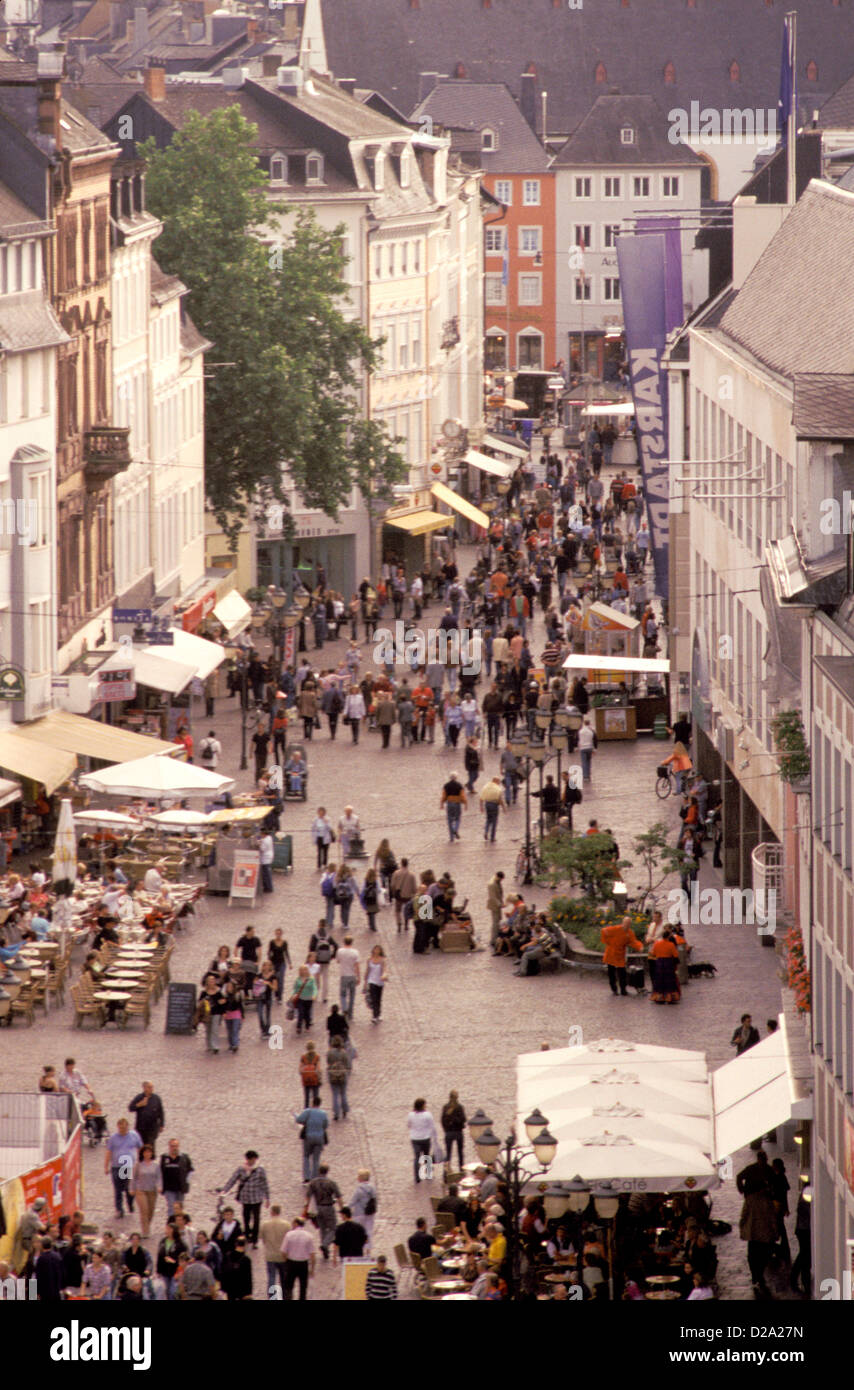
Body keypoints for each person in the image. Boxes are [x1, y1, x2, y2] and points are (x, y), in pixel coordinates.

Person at [219, 1151, 270, 1249]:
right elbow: (232, 1180)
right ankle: (247, 1235)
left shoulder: (260, 1170)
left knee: (256, 1219)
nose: (252, 1161)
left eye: (254, 1159)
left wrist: (267, 1198)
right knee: (246, 1218)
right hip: (246, 1199)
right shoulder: (241, 1169)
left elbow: (264, 1184)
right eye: (251, 1159)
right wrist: (225, 1190)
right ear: (248, 1159)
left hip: (256, 1198)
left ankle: (254, 1239)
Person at [105, 1118, 143, 1220]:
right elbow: (109, 1151)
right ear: (118, 1127)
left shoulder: (134, 1135)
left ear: (128, 1126)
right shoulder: (113, 1138)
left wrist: (141, 1162)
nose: (123, 1129)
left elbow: (140, 1148)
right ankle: (119, 1209)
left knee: (128, 1188)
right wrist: (106, 1166)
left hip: (128, 1165)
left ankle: (130, 1203)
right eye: (121, 1127)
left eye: (125, 1127)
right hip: (117, 1166)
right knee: (117, 1189)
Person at [600, 915, 643, 997]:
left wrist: (639, 947)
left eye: (628, 923)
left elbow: (633, 941)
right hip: (611, 953)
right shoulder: (615, 929)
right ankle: (614, 989)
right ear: (622, 923)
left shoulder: (630, 932)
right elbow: (604, 931)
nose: (627, 925)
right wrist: (608, 942)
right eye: (625, 923)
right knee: (611, 973)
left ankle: (623, 989)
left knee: (622, 973)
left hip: (620, 954)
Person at [307, 1164, 341, 1261]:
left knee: (322, 1228)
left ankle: (324, 1250)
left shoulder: (313, 1182)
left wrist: (307, 1208)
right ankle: (325, 1245)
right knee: (333, 1228)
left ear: (319, 1171)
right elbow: (338, 1197)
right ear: (327, 1171)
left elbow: (308, 1196)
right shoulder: (331, 1183)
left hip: (318, 1208)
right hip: (328, 1207)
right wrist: (342, 1208)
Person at [294, 1095, 329, 1182]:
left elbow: (299, 1120)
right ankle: (315, 1177)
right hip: (319, 1138)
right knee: (316, 1159)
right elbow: (326, 1125)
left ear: (312, 1103)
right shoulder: (323, 1114)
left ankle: (307, 1177)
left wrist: (295, 1115)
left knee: (306, 1156)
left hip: (308, 1137)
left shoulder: (308, 1111)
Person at [281, 1217, 316, 1300]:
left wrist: (286, 1261)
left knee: (288, 1286)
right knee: (303, 1287)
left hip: (291, 1262)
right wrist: (312, 1268)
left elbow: (283, 1251)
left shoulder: (289, 1235)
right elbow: (312, 1254)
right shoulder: (309, 1236)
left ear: (296, 1224)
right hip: (303, 1264)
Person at [260, 1205, 290, 1296]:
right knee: (283, 1277)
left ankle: (272, 1296)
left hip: (270, 1255)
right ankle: (284, 1294)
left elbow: (263, 1239)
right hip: (282, 1255)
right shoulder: (286, 1225)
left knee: (271, 1277)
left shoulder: (265, 1224)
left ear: (271, 1212)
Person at [407, 1098, 439, 1184]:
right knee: (426, 1156)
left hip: (415, 1138)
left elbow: (408, 1125)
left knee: (417, 1158)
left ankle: (417, 1177)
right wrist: (435, 1137)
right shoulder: (427, 1115)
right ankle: (428, 1174)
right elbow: (432, 1126)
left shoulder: (411, 1115)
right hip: (425, 1138)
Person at [131, 1144, 160, 1238]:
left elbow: (159, 1178)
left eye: (149, 1152)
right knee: (144, 1211)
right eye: (145, 1152)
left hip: (152, 1191)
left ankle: (147, 1226)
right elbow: (134, 1178)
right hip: (141, 1191)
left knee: (150, 1211)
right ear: (142, 1154)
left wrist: (159, 1186)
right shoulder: (138, 1165)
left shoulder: (156, 1165)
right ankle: (145, 1231)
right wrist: (132, 1188)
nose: (147, 1154)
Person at [128, 1081, 165, 1154]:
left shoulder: (156, 1098)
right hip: (141, 1127)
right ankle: (141, 1161)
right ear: (144, 1088)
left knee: (150, 1145)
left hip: (153, 1128)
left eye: (152, 1087)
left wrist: (162, 1125)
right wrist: (139, 1105)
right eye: (149, 1087)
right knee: (141, 1146)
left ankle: (151, 1161)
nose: (151, 1089)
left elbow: (161, 1112)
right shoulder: (139, 1097)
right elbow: (130, 1108)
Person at [160, 1138, 193, 1217]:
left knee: (179, 1207)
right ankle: (171, 1224)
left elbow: (191, 1171)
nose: (174, 1148)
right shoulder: (164, 1158)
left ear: (178, 1146)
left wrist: (187, 1182)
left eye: (176, 1146)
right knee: (171, 1206)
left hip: (180, 1188)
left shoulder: (184, 1157)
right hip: (168, 1188)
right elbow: (160, 1172)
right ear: (169, 1147)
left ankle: (178, 1224)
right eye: (172, 1146)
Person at [349, 1170, 378, 1252]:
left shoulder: (359, 1189)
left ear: (360, 1178)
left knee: (358, 1231)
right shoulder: (373, 1188)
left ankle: (359, 1247)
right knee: (369, 1231)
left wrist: (346, 1208)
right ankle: (368, 1249)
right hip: (370, 1213)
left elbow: (353, 1201)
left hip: (359, 1213)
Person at [649, 932, 681, 1005]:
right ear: (668, 937)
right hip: (668, 963)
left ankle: (659, 997)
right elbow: (675, 955)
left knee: (659, 980)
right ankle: (670, 996)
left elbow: (653, 953)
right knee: (669, 980)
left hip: (659, 963)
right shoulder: (671, 944)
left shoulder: (657, 944)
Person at [440, 1091, 467, 1170]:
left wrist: (446, 1129)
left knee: (448, 1153)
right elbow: (463, 1119)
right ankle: (461, 1169)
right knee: (460, 1153)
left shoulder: (446, 1107)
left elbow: (442, 1120)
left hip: (449, 1132)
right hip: (458, 1132)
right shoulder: (459, 1107)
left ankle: (446, 1172)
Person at [327, 1034, 351, 1121]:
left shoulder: (330, 1053)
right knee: (343, 1093)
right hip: (342, 1075)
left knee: (335, 1094)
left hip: (333, 1075)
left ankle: (336, 1113)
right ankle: (345, 1110)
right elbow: (348, 1065)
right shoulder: (344, 1053)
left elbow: (328, 1063)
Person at [336, 934, 361, 1021]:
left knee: (343, 994)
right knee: (352, 995)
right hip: (352, 975)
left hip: (344, 975)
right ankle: (350, 1013)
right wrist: (359, 977)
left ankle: (344, 1009)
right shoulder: (355, 952)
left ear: (344, 942)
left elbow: (338, 961)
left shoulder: (340, 951)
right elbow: (357, 966)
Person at [390, 858, 417, 932]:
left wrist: (393, 892)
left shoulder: (396, 873)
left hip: (399, 895)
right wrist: (413, 894)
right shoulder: (412, 875)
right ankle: (406, 925)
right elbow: (414, 888)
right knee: (407, 910)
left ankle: (399, 923)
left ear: (401, 863)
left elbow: (392, 885)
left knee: (398, 910)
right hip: (408, 896)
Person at [291, 963, 318, 1035]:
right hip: (300, 998)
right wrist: (292, 995)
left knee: (307, 1013)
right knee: (300, 1012)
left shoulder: (311, 979)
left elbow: (314, 988)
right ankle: (299, 1027)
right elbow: (295, 989)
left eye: (305, 970)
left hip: (309, 999)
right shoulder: (298, 979)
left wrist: (314, 995)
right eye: (302, 970)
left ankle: (307, 1026)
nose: (303, 972)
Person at [364, 943, 388, 1023]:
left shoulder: (382, 960)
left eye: (378, 950)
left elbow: (384, 969)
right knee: (374, 998)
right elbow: (367, 970)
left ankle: (378, 1014)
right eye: (375, 949)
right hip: (372, 981)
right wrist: (365, 981)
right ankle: (374, 1015)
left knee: (378, 999)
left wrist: (384, 975)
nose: (376, 951)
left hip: (380, 982)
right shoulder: (369, 960)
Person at [440, 771, 467, 842]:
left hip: (449, 803)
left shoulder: (446, 785)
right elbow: (462, 796)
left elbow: (444, 796)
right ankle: (455, 829)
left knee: (450, 820)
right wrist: (465, 803)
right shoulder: (459, 785)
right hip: (457, 803)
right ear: (456, 777)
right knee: (457, 818)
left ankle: (451, 838)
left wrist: (442, 804)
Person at [221, 978, 245, 1054]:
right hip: (228, 1015)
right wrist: (223, 1012)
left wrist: (242, 1015)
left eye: (230, 987)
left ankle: (235, 1045)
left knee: (235, 1030)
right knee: (229, 1031)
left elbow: (240, 1005)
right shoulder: (224, 996)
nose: (229, 988)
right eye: (228, 987)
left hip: (236, 1014)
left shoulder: (237, 995)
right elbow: (223, 1006)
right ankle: (231, 1044)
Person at [479, 777, 507, 842]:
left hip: (487, 804)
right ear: (496, 781)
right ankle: (492, 837)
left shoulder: (486, 786)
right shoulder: (498, 789)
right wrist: (503, 807)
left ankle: (486, 831)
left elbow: (481, 798)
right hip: (494, 805)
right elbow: (500, 800)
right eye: (499, 782)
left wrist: (481, 807)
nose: (499, 783)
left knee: (488, 819)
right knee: (494, 821)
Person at [267, 928, 292, 1002]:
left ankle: (280, 997)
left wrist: (289, 963)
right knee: (274, 979)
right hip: (273, 963)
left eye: (279, 933)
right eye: (277, 933)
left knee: (281, 979)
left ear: (281, 934)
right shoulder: (272, 942)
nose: (278, 935)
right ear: (275, 934)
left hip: (282, 963)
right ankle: (275, 993)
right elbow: (269, 952)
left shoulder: (284, 943)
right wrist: (268, 962)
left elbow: (286, 953)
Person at [254, 960, 276, 1037]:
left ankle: (268, 1030)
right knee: (260, 1014)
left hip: (268, 997)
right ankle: (263, 1029)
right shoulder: (259, 975)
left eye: (268, 965)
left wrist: (269, 984)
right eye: (265, 965)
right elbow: (254, 984)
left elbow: (275, 988)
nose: (266, 967)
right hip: (260, 997)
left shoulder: (273, 976)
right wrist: (259, 983)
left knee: (267, 1014)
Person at [299, 1040, 322, 1107]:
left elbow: (300, 1069)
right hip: (315, 1079)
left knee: (306, 1097)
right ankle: (315, 1109)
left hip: (306, 1080)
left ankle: (306, 1110)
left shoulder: (303, 1057)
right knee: (315, 1096)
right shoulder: (317, 1057)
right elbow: (318, 1069)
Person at [487, 871, 505, 945]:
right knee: (495, 923)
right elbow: (493, 897)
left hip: (498, 905)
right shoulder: (492, 884)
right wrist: (500, 904)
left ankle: (496, 937)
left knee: (498, 921)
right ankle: (493, 940)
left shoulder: (497, 881)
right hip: (495, 906)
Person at [577, 717, 595, 783]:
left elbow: (578, 739)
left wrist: (577, 747)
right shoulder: (591, 731)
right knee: (589, 761)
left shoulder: (580, 731)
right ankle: (588, 773)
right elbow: (594, 739)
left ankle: (585, 776)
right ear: (589, 723)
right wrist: (595, 749)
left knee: (584, 762)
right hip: (589, 747)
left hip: (583, 748)